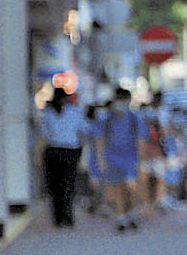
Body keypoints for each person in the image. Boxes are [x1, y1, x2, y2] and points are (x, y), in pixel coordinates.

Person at [96, 87, 146, 232]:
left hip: (131, 158)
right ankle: (122, 218)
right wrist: (100, 160)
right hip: (112, 157)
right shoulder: (107, 118)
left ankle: (131, 213)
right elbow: (100, 139)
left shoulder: (134, 118)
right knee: (118, 189)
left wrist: (141, 160)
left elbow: (141, 139)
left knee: (131, 187)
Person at [37, 88, 87, 227]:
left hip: (53, 152)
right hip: (71, 151)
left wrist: (38, 157)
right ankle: (68, 216)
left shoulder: (47, 113)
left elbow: (43, 137)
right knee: (69, 184)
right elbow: (83, 131)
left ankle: (58, 218)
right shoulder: (75, 112)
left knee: (55, 186)